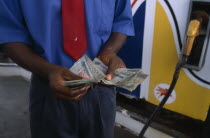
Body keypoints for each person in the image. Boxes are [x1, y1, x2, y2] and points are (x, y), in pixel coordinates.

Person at [0, 0, 134, 138]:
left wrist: (108, 52)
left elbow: (121, 21)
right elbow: (9, 34)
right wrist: (48, 70)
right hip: (48, 90)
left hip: (101, 90)